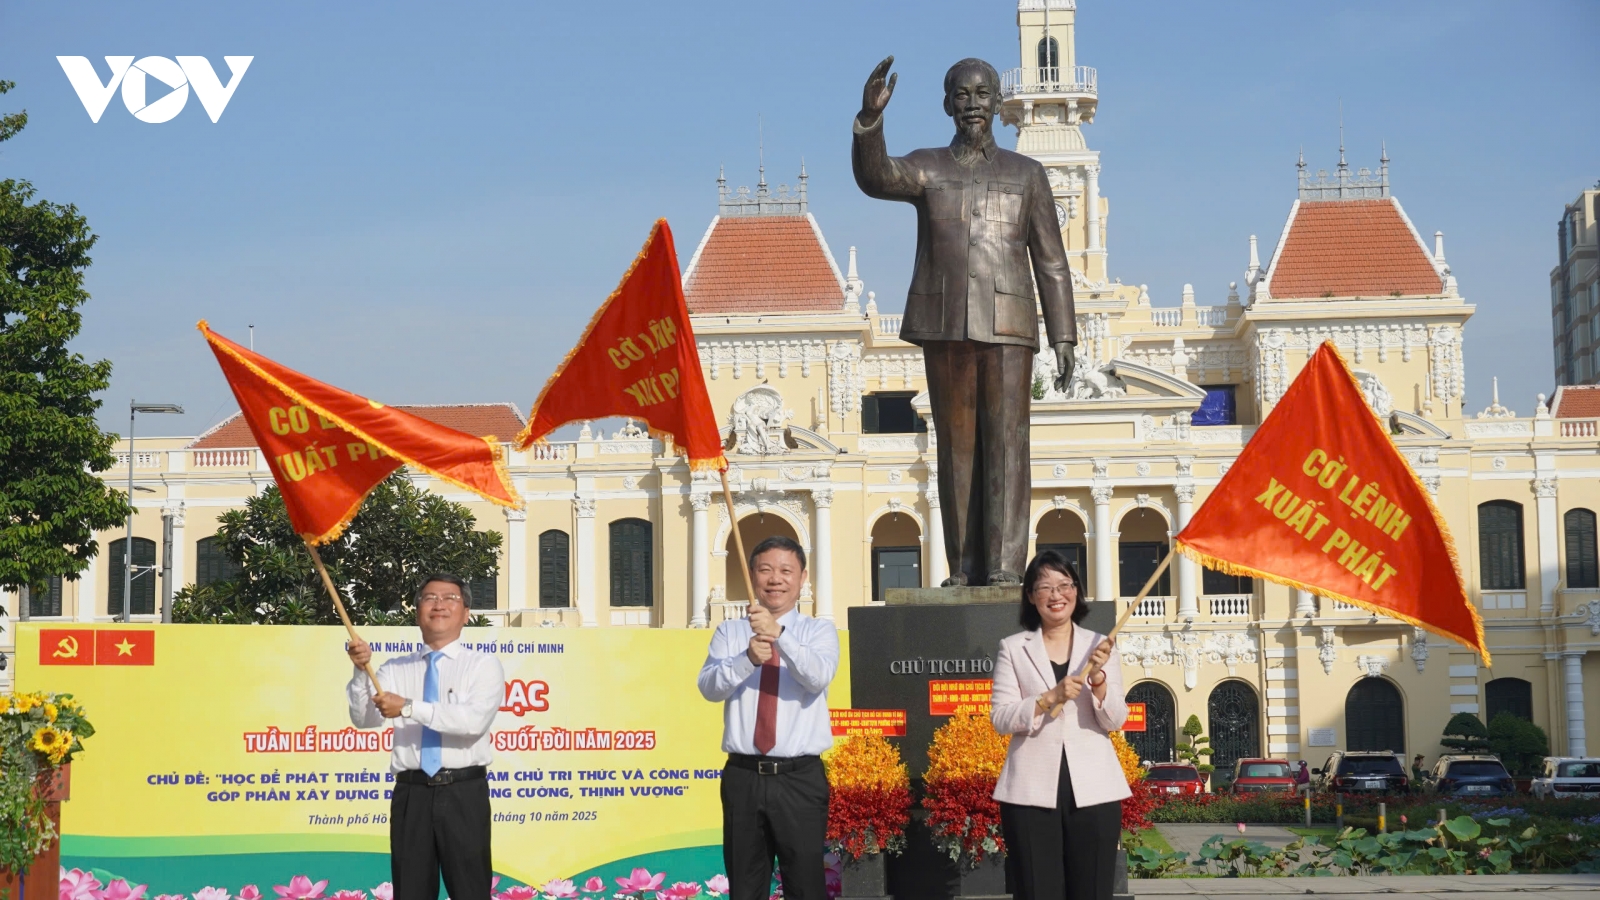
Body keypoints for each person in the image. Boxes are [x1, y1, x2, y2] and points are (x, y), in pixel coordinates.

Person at [852, 56, 1076, 587]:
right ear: (946, 104)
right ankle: (964, 566)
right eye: (961, 95)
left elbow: (1051, 260)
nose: (972, 104)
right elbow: (876, 176)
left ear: (997, 102)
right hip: (945, 321)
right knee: (956, 447)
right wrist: (870, 120)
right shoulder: (927, 167)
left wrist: (1063, 335)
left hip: (1010, 324)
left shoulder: (1027, 174)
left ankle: (1005, 567)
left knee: (1008, 446)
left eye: (981, 94)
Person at [346, 574, 505, 900]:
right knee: (411, 891)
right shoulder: (395, 669)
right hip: (412, 794)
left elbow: (472, 722)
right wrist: (361, 671)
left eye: (450, 598)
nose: (439, 605)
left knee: (471, 891)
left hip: (464, 792)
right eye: (430, 598)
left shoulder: (482, 665)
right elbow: (364, 719)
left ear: (466, 613)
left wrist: (408, 707)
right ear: (417, 611)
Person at [697, 536, 840, 900]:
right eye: (766, 570)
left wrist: (780, 636)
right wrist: (746, 659)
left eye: (786, 571)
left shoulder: (818, 631)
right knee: (745, 887)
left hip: (799, 779)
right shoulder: (730, 632)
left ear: (802, 577)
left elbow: (817, 677)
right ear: (752, 576)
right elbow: (709, 688)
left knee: (806, 886)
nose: (776, 579)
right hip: (743, 776)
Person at [990, 550, 1127, 900]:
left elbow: (1115, 719)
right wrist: (1048, 698)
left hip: (1094, 788)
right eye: (1045, 587)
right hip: (1030, 790)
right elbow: (1001, 718)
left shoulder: (1100, 646)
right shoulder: (1013, 648)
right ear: (1031, 596)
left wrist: (1099, 681)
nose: (1056, 595)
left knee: (1093, 890)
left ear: (1076, 591)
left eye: (1065, 585)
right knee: (1037, 889)